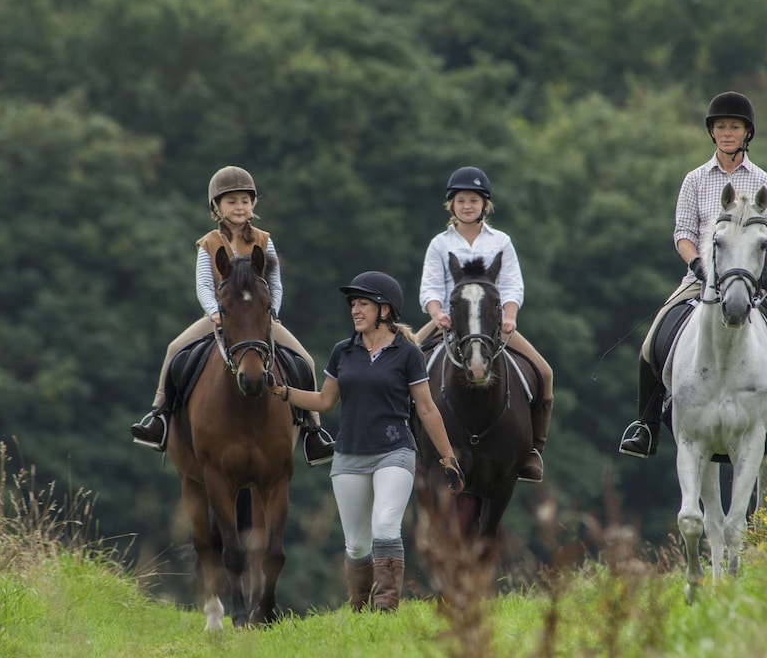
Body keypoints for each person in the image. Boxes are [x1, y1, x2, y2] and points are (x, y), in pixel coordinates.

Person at [618, 91, 767, 458]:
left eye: (734, 126)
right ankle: (646, 425)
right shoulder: (695, 180)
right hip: (700, 282)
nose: (727, 132)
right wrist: (697, 265)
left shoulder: (765, 181)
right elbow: (683, 234)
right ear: (712, 132)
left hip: (756, 284)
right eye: (720, 126)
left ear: (747, 133)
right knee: (651, 343)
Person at [270, 270, 465, 612]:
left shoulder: (408, 353)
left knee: (386, 524)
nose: (355, 310)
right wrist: (283, 392)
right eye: (353, 304)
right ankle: (361, 611)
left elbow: (427, 408)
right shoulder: (342, 352)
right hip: (349, 456)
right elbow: (324, 402)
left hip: (395, 451)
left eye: (363, 304)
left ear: (385, 310)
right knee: (357, 546)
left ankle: (386, 608)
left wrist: (448, 458)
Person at [130, 165, 335, 466]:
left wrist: (272, 313)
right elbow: (202, 284)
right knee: (174, 349)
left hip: (259, 321)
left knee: (306, 360)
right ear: (217, 206)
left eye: (245, 200)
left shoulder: (264, 241)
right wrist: (214, 312)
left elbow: (275, 283)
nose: (239, 207)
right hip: (220, 319)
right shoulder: (209, 243)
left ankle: (313, 431)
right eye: (232, 201)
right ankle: (159, 416)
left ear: (252, 205)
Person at [416, 166, 554, 483]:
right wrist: (437, 313)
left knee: (545, 372)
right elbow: (431, 288)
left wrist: (509, 316)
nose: (468, 206)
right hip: (449, 322)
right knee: (402, 366)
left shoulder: (501, 241)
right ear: (451, 204)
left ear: (484, 205)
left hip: (492, 325)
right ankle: (407, 444)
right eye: (462, 200)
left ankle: (532, 451)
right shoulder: (439, 243)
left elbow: (512, 285)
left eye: (474, 201)